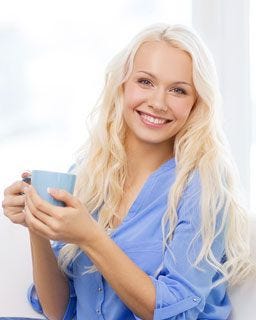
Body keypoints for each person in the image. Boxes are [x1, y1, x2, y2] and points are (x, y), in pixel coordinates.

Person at [2, 23, 256, 320]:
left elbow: (176, 316)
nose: (158, 103)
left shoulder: (202, 185)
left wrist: (91, 237)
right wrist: (38, 225)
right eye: (145, 82)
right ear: (122, 85)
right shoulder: (91, 174)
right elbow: (60, 311)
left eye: (178, 90)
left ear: (196, 103)